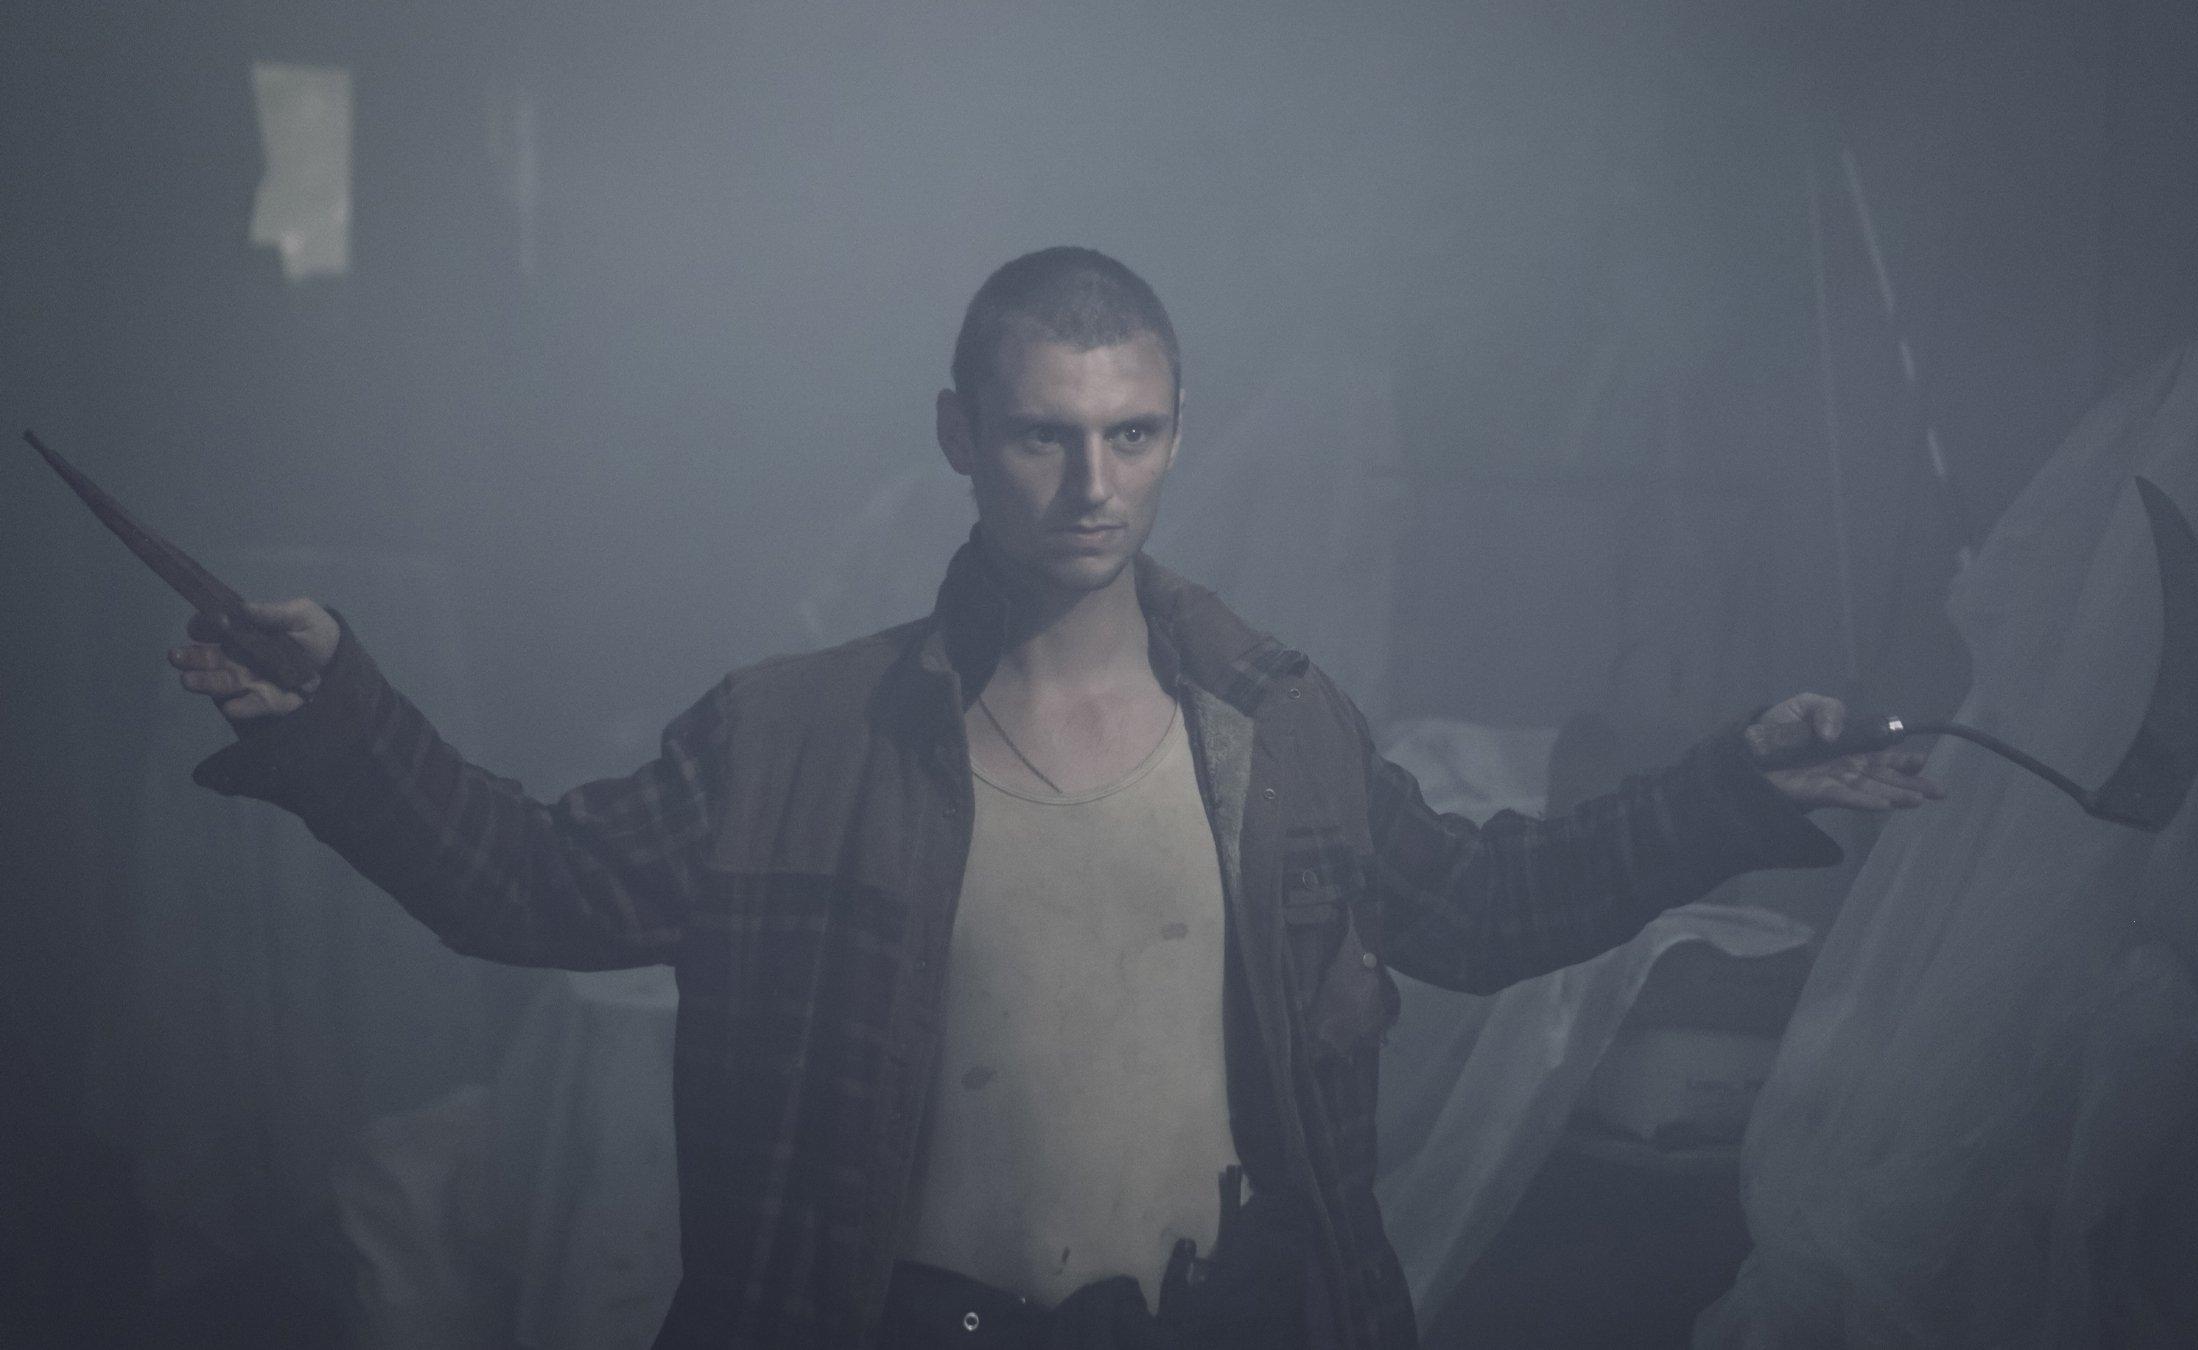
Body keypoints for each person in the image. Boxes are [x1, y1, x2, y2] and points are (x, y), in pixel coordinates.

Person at [168, 246, 1941, 1350]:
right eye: (1044, 434)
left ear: (1175, 432)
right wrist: (345, 719)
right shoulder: (796, 739)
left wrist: (1729, 788)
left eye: (1132, 434)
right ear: (960, 434)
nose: (1092, 483)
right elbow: (530, 885)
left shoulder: (1276, 729)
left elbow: (1480, 908)